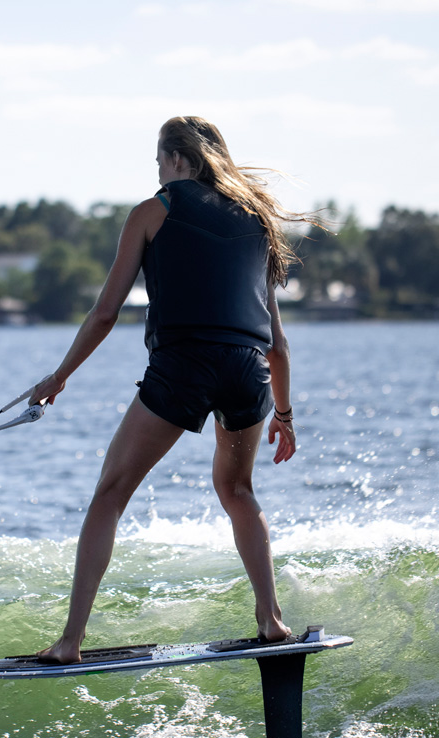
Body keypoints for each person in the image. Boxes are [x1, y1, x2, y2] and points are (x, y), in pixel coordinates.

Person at [30, 115, 315, 664]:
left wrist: (58, 377)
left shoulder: (152, 212)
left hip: (184, 365)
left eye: (160, 161)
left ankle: (70, 642)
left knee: (111, 493)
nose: (159, 173)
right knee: (238, 491)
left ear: (177, 159)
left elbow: (105, 312)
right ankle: (271, 619)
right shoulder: (257, 222)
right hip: (246, 372)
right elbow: (276, 340)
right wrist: (285, 413)